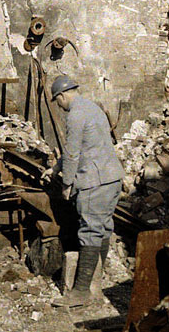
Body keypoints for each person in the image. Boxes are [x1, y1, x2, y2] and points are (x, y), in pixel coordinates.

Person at [49, 75, 124, 307]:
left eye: (57, 101)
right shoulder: (92, 107)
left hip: (94, 181)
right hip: (112, 177)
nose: (59, 106)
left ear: (61, 96)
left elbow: (73, 153)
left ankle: (80, 292)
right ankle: (96, 283)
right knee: (102, 227)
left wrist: (67, 184)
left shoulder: (74, 115)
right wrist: (54, 168)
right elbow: (84, 146)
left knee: (90, 231)